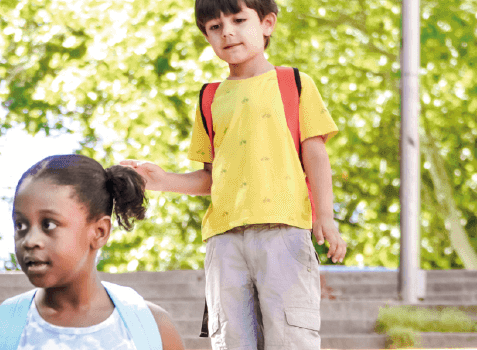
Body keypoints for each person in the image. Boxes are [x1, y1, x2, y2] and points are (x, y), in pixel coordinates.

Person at [120, 0, 346, 348]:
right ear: (207, 36)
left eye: (239, 20)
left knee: (291, 337)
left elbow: (315, 156)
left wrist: (326, 217)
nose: (227, 31)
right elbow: (211, 178)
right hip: (224, 241)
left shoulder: (293, 83)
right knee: (232, 340)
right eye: (214, 26)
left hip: (283, 231)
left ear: (267, 23)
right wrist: (160, 179)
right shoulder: (209, 98)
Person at [0, 155, 184, 350]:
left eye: (49, 224)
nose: (30, 240)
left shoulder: (152, 329)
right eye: (21, 225)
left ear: (99, 232)